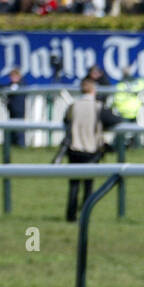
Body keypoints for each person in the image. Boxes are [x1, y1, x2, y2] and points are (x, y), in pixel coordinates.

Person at [62, 77, 119, 221]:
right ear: (94, 90)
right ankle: (85, 215)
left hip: (74, 149)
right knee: (88, 186)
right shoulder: (98, 106)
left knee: (74, 185)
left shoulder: (73, 105)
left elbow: (66, 121)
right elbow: (114, 120)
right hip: (91, 151)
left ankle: (70, 216)